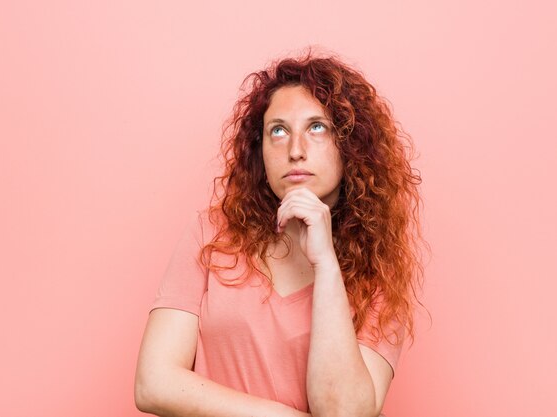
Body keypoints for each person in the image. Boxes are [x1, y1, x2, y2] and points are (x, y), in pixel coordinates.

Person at [134, 50, 426, 417]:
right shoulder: (211, 232)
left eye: (317, 127)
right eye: (279, 130)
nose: (295, 151)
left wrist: (326, 266)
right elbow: (153, 383)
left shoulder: (379, 274)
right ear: (260, 150)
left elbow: (345, 413)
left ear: (350, 145)